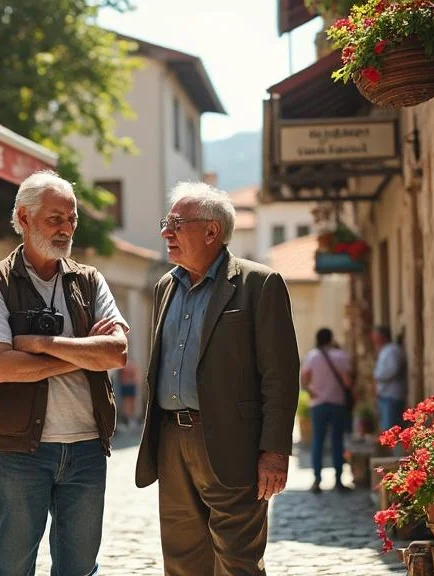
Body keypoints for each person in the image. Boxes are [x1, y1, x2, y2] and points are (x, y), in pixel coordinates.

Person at [135, 181, 300, 576]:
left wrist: (275, 450)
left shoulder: (259, 285)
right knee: (182, 558)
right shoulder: (164, 287)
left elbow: (280, 374)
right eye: (166, 222)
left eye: (177, 223)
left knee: (238, 559)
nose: (165, 233)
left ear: (212, 231)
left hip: (232, 443)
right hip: (172, 441)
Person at [0, 170, 129, 576]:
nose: (66, 228)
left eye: (71, 218)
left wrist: (41, 345)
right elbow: (1, 367)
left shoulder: (90, 281)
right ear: (24, 218)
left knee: (80, 568)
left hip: (88, 447)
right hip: (22, 449)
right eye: (54, 219)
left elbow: (116, 351)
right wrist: (81, 354)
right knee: (11, 565)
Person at [301, 328, 354, 494]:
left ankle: (317, 480)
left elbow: (303, 379)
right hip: (337, 403)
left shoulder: (312, 356)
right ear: (331, 339)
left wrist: (311, 392)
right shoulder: (340, 356)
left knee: (318, 441)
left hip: (318, 404)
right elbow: (347, 382)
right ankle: (338, 480)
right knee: (337, 441)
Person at [372, 325, 407, 433]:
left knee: (391, 430)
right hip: (386, 395)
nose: (373, 338)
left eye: (376, 336)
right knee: (387, 429)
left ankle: (396, 450)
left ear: (382, 336)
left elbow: (393, 369)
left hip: (392, 396)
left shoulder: (392, 350)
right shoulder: (385, 350)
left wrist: (378, 376)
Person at [116, 363, 140, 429]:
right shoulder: (124, 367)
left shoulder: (131, 366)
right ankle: (127, 420)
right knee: (126, 403)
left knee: (131, 403)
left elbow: (136, 376)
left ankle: (130, 420)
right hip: (126, 385)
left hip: (129, 385)